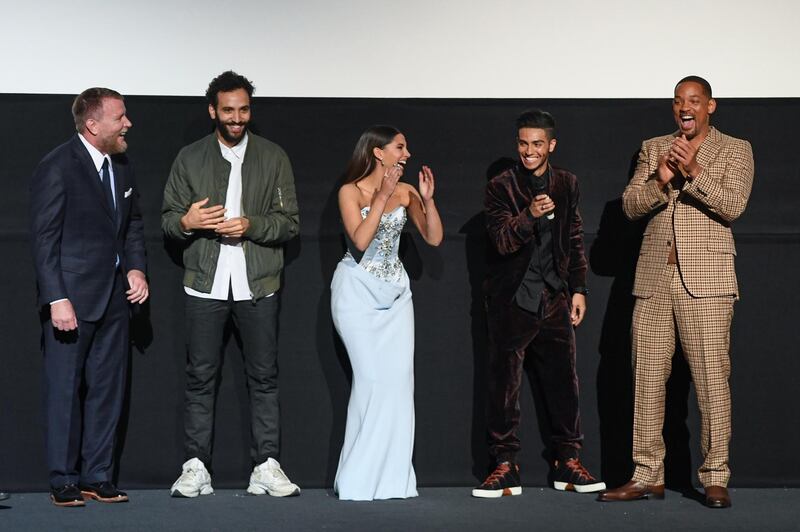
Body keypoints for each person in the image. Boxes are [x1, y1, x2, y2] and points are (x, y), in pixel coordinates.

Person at [597, 76, 753, 509]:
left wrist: (695, 172)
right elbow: (630, 206)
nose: (686, 108)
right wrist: (662, 178)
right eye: (679, 102)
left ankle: (715, 476)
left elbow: (734, 204)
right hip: (652, 281)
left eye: (694, 101)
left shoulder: (735, 149)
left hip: (707, 284)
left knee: (710, 382)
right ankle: (647, 475)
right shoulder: (653, 148)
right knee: (646, 380)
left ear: (710, 106)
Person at [162, 71, 300, 498]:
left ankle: (267, 465)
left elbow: (290, 222)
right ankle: (195, 467)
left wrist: (251, 225)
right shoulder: (189, 157)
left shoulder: (273, 156)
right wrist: (187, 222)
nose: (237, 117)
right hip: (205, 283)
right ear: (212, 111)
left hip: (257, 283)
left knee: (264, 378)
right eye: (228, 110)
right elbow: (167, 220)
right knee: (201, 377)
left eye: (243, 109)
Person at [474, 110, 604, 498]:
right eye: (522, 144)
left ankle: (568, 462)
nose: (528, 151)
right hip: (512, 300)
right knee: (504, 387)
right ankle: (504, 466)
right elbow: (500, 242)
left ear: (551, 145)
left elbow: (575, 236)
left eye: (536, 144)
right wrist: (528, 215)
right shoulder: (501, 186)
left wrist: (578, 288)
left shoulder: (567, 183)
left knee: (565, 383)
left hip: (555, 298)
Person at [30, 88, 148, 507]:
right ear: (93, 124)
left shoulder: (122, 166)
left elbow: (132, 225)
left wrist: (136, 268)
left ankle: (97, 475)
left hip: (115, 299)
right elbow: (44, 240)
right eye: (121, 117)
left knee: (107, 390)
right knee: (65, 391)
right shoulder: (58, 166)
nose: (128, 123)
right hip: (71, 301)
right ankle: (63, 478)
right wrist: (56, 297)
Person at [331, 125, 443, 500]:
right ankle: (359, 479)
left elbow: (434, 237)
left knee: (398, 386)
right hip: (358, 293)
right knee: (372, 382)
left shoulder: (407, 191)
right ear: (379, 153)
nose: (407, 154)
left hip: (396, 296)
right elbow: (360, 240)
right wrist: (380, 196)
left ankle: (392, 480)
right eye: (400, 147)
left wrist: (428, 200)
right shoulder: (350, 191)